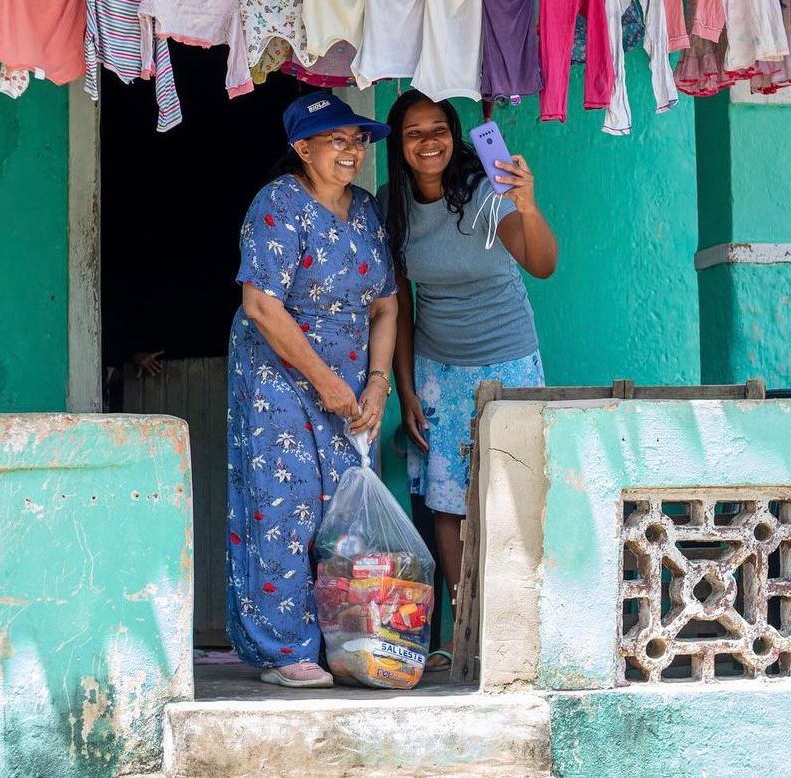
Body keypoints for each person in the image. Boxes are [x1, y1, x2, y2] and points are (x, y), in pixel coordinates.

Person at [225, 92, 398, 688]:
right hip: (279, 375)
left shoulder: (369, 211)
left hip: (350, 380)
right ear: (302, 147)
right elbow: (261, 306)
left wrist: (377, 384)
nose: (352, 151)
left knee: (344, 511)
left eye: (358, 139)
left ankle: (345, 642)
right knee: (285, 504)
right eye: (336, 140)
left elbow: (386, 305)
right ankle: (283, 650)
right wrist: (323, 381)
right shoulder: (279, 204)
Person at [382, 89, 558, 671]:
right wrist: (405, 387)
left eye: (439, 129)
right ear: (400, 146)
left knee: (514, 493)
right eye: (414, 133)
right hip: (437, 372)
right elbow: (401, 305)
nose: (428, 141)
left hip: (509, 361)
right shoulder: (394, 206)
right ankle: (467, 632)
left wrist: (527, 204)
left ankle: (522, 625)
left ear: (457, 137)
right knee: (448, 503)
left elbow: (541, 264)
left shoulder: (487, 193)